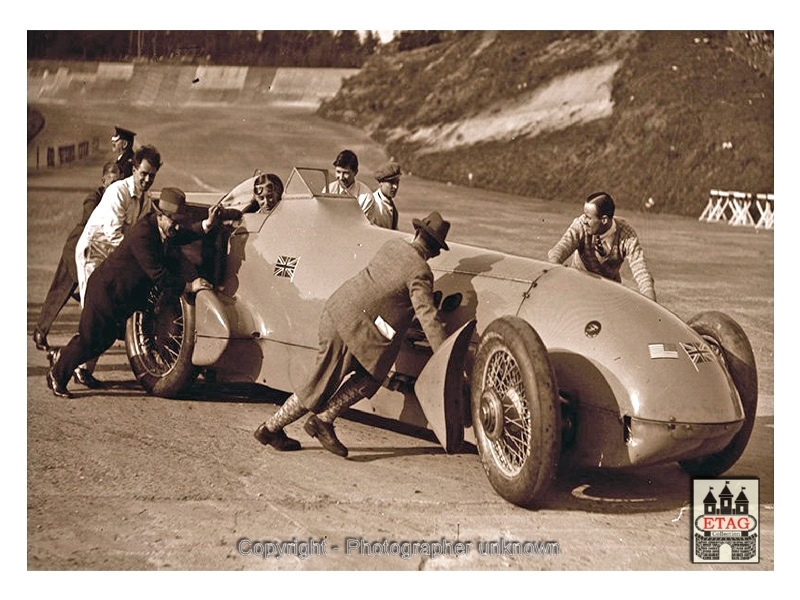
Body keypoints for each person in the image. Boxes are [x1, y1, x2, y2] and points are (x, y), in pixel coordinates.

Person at [253, 211, 451, 457]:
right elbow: (427, 314)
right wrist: (445, 352)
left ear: (418, 233)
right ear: (434, 250)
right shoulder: (421, 271)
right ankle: (271, 428)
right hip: (354, 326)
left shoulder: (393, 246)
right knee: (322, 384)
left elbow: (385, 292)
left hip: (340, 311)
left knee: (370, 374)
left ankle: (322, 420)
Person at [46, 188, 226, 399]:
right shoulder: (143, 234)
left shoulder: (165, 228)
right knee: (88, 340)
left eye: (179, 220)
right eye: (173, 221)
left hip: (120, 297)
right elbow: (158, 274)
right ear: (160, 216)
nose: (177, 226)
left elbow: (182, 233)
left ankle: (61, 358)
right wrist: (189, 286)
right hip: (106, 293)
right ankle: (56, 376)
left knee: (102, 341)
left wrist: (206, 225)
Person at [72, 144, 161, 387]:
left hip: (112, 259)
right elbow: (114, 235)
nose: (147, 179)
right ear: (133, 169)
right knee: (93, 313)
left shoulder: (146, 200)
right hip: (95, 253)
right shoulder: (117, 192)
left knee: (104, 313)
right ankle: (77, 367)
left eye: (152, 175)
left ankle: (80, 366)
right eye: (143, 173)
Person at [32, 162, 122, 352]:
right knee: (62, 291)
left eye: (118, 182)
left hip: (90, 253)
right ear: (103, 181)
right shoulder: (94, 198)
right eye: (111, 182)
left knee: (69, 291)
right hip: (75, 249)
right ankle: (45, 332)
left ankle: (44, 332)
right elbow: (93, 222)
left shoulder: (115, 200)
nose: (114, 187)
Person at [547, 191, 656, 301]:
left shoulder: (626, 234)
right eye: (584, 215)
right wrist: (553, 270)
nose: (584, 220)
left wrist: (652, 305)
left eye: (588, 217)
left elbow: (641, 271)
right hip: (578, 289)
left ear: (604, 220)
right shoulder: (580, 225)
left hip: (608, 294)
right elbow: (559, 250)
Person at [324, 149, 375, 220]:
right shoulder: (328, 190)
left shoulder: (366, 197)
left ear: (355, 172)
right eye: (338, 172)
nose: (341, 178)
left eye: (346, 173)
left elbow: (362, 226)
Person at [369, 161, 402, 230]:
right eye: (391, 182)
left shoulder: (389, 203)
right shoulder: (374, 204)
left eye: (397, 182)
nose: (395, 187)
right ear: (381, 184)